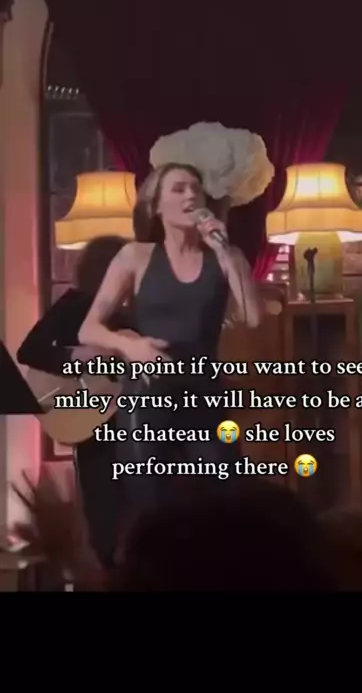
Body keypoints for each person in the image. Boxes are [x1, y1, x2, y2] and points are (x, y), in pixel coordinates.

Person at [78, 162, 262, 527]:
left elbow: (254, 317)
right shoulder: (135, 257)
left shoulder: (228, 257)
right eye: (178, 189)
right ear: (156, 206)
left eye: (196, 188)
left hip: (203, 398)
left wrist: (225, 252)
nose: (191, 195)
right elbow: (89, 329)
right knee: (151, 508)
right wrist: (129, 347)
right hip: (148, 398)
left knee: (224, 505)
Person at [16, 235, 129, 568]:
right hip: (93, 427)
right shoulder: (76, 304)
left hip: (140, 425)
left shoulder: (142, 312)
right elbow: (29, 351)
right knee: (102, 516)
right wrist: (76, 357)